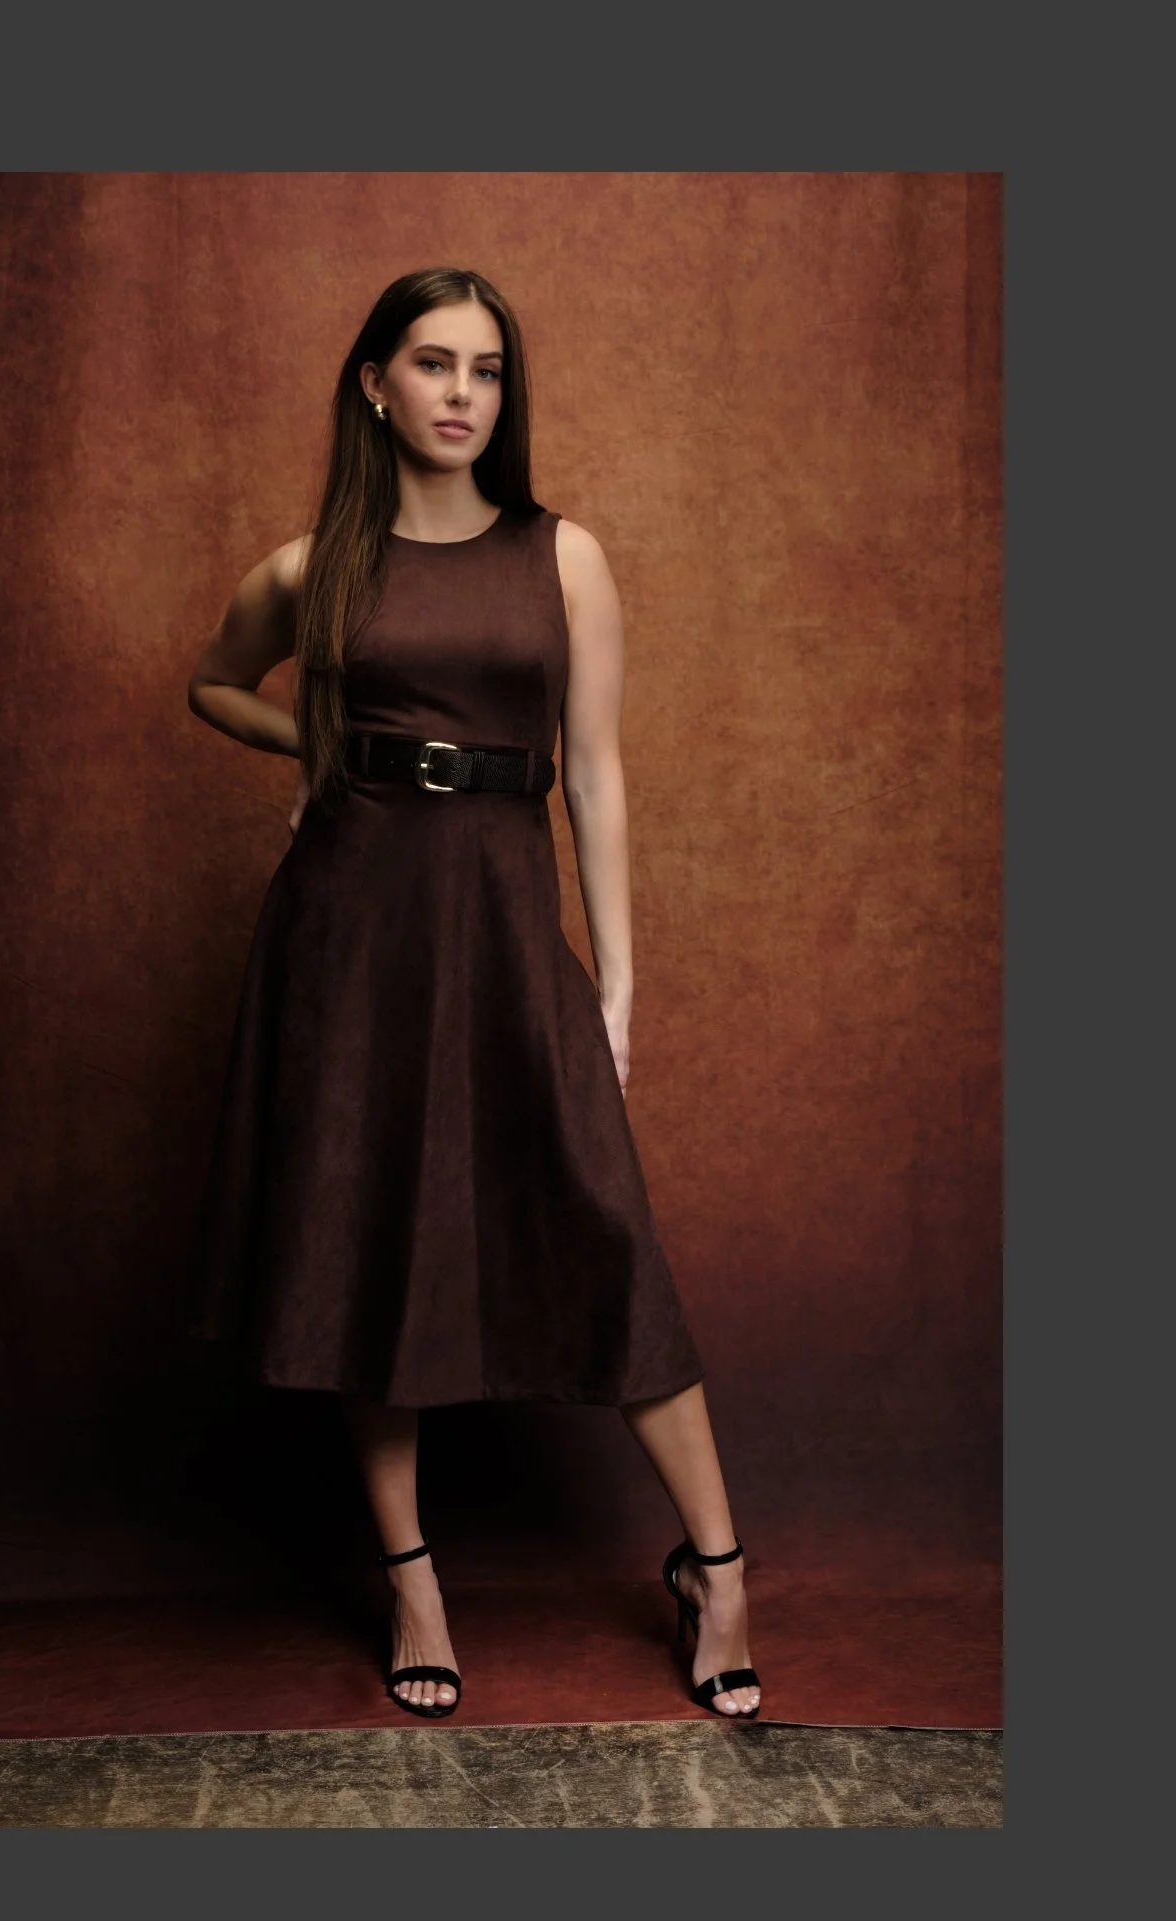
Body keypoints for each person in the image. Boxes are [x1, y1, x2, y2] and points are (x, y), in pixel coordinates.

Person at [183, 268, 762, 1721]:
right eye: (434, 364)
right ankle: (413, 1581)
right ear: (374, 382)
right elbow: (212, 685)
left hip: (506, 934)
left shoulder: (563, 557)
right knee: (370, 1249)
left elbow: (602, 776)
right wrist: (312, 749)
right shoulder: (311, 566)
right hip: (349, 937)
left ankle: (721, 1570)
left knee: (606, 1235)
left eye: (488, 370)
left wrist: (616, 982)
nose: (462, 393)